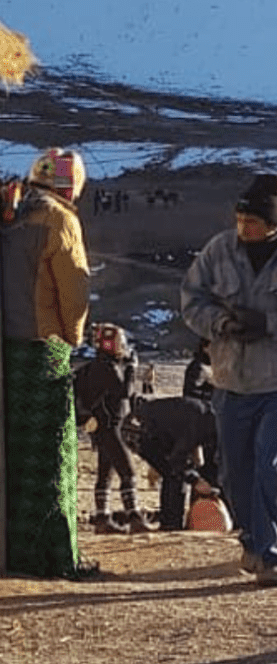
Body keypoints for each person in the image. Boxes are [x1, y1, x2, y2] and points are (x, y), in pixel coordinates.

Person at [180, 171, 277, 586]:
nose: (243, 228)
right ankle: (251, 537)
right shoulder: (218, 251)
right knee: (235, 470)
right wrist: (221, 323)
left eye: (252, 222)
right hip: (230, 379)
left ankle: (273, 553)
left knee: (271, 465)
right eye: (239, 220)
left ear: (273, 223)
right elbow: (191, 299)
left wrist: (267, 323)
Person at [0, 147, 97, 579]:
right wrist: (72, 338)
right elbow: (74, 288)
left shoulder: (10, 211)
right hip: (41, 347)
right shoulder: (59, 219)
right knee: (51, 452)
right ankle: (53, 553)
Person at [75, 322, 156, 534]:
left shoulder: (98, 365)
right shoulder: (107, 367)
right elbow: (124, 391)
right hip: (111, 427)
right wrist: (131, 367)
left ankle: (103, 519)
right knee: (127, 472)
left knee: (105, 474)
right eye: (120, 342)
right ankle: (135, 517)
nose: (124, 346)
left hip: (104, 427)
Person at [129, 392, 221, 530]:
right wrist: (196, 481)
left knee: (174, 472)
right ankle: (171, 523)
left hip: (150, 429)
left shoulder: (207, 415)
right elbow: (177, 459)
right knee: (175, 472)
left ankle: (171, 522)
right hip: (137, 429)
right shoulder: (199, 423)